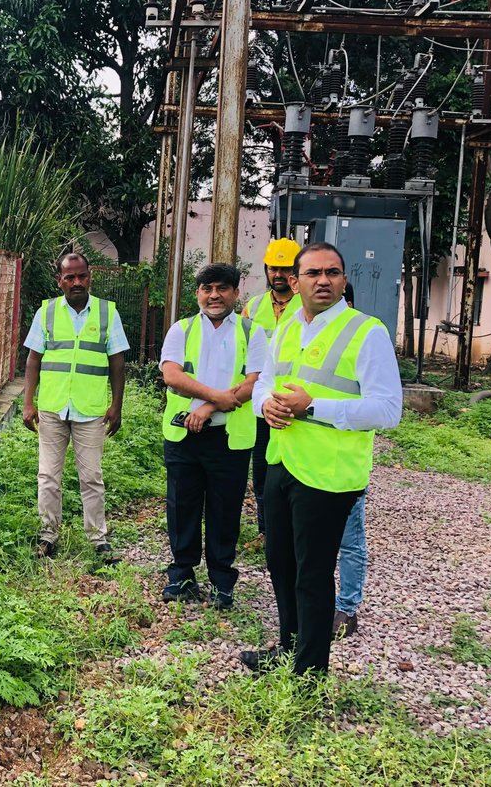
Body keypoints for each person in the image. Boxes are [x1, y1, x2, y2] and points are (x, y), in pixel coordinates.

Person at [241, 243, 401, 676]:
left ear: (344, 280)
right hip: (282, 463)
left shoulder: (366, 332)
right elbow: (264, 383)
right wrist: (264, 407)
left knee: (312, 574)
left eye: (332, 272)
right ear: (295, 282)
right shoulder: (288, 327)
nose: (323, 280)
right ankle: (289, 646)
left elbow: (388, 409)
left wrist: (313, 407)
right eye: (312, 273)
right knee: (280, 562)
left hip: (329, 474)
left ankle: (309, 673)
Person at [158, 263, 267, 605]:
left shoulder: (252, 332)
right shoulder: (182, 329)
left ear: (236, 292)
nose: (214, 295)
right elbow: (172, 375)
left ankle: (223, 582)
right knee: (182, 506)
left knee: (225, 510)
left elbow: (256, 381)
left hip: (228, 438)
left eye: (222, 288)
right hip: (183, 436)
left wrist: (210, 407)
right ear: (198, 294)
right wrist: (216, 396)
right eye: (207, 289)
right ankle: (181, 576)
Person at [22, 252, 128, 563]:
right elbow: (33, 359)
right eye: (70, 277)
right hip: (53, 407)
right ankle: (47, 534)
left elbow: (118, 362)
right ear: (60, 281)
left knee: (91, 476)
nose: (77, 282)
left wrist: (116, 405)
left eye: (81, 276)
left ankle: (98, 537)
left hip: (90, 409)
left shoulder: (108, 313)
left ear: (90, 277)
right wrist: (29, 402)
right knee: (48, 476)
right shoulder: (47, 312)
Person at [240, 238, 303, 539]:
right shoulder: (253, 307)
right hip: (261, 400)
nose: (278, 275)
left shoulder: (308, 305)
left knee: (295, 467)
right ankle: (267, 530)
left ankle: (294, 525)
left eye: (285, 268)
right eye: (273, 268)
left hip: (296, 399)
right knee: (263, 467)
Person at [335, 280, 366, 640]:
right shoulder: (298, 334)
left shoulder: (363, 338)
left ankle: (346, 608)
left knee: (349, 540)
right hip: (299, 461)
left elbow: (384, 408)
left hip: (344, 464)